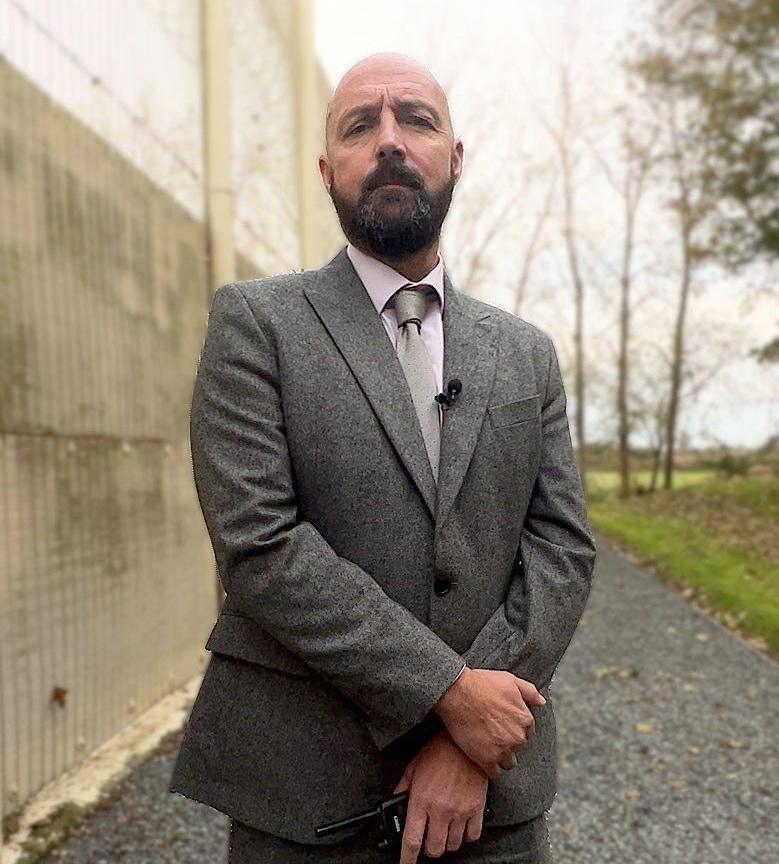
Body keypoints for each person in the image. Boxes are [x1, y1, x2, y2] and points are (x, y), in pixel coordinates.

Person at [169, 52, 596, 863]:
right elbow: (259, 544)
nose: (390, 140)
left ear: (455, 157)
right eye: (361, 125)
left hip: (490, 802)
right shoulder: (255, 323)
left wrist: (475, 740)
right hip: (301, 794)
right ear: (329, 171)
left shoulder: (526, 353)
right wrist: (450, 695)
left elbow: (562, 548)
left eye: (417, 120)